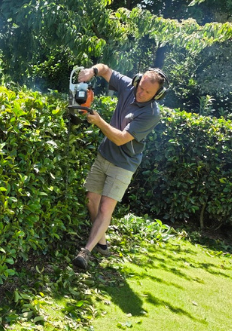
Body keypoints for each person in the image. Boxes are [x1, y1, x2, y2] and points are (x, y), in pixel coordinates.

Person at [72, 64, 168, 272]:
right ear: (137, 80)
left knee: (106, 208)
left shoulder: (152, 113)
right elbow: (106, 70)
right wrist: (91, 72)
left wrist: (99, 121)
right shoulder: (129, 86)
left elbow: (121, 138)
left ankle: (85, 252)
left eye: (147, 92)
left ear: (157, 95)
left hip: (124, 164)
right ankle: (102, 242)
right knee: (91, 199)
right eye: (140, 87)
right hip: (104, 155)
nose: (141, 93)